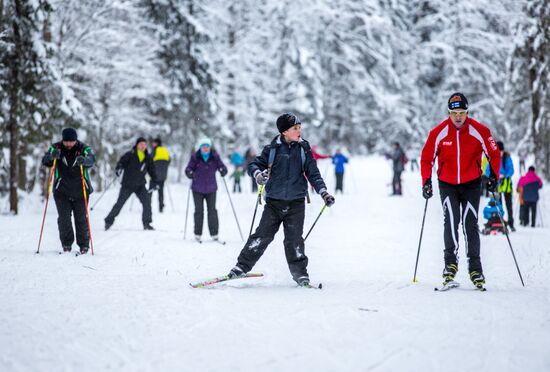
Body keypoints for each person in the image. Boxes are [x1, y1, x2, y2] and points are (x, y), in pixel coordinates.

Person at [226, 113, 335, 287]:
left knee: (294, 240)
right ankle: (241, 267)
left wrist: (324, 193)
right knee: (262, 236)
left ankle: (300, 274)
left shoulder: (303, 148)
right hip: (274, 203)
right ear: (284, 131)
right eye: (295, 128)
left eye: (299, 127)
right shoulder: (272, 149)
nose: (299, 131)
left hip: (296, 202)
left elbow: (313, 173)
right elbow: (253, 165)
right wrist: (258, 175)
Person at [420, 92, 501, 288]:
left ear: (467, 112)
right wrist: (426, 181)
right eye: (454, 113)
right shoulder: (438, 132)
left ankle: (475, 268)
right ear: (449, 113)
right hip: (447, 183)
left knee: (469, 223)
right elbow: (426, 158)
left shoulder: (479, 130)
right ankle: (450, 265)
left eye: (462, 113)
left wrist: (494, 177)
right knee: (451, 221)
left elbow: (494, 154)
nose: (458, 117)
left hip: (472, 183)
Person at [41, 128, 95, 254]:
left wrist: (85, 160)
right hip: (61, 191)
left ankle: (84, 245)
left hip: (81, 190)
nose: (69, 144)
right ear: (63, 140)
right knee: (64, 219)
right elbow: (45, 160)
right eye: (66, 141)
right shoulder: (56, 147)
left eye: (72, 141)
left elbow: (92, 159)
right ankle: (66, 244)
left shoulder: (83, 148)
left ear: (76, 140)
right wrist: (51, 157)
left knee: (81, 218)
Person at [104, 137, 158, 231]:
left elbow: (152, 171)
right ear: (137, 145)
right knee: (119, 203)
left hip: (140, 185)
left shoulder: (148, 157)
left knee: (147, 202)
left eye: (144, 145)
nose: (142, 146)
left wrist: (155, 181)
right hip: (127, 184)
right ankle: (108, 221)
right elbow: (121, 163)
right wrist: (119, 168)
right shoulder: (130, 154)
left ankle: (147, 223)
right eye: (141, 144)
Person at [185, 137, 228, 242]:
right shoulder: (195, 156)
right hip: (197, 188)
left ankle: (214, 233)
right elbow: (188, 168)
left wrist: (223, 171)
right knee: (199, 211)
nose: (205, 149)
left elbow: (223, 167)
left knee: (212, 211)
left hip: (211, 188)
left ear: (209, 147)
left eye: (207, 147)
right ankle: (197, 233)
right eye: (203, 147)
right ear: (200, 147)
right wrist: (189, 173)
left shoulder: (214, 156)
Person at [487, 141, 515, 231]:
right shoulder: (493, 158)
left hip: (506, 185)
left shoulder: (507, 158)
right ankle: (500, 222)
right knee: (499, 205)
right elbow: (487, 170)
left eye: (501, 151)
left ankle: (511, 223)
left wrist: (504, 175)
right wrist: (494, 176)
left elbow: (511, 169)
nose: (500, 153)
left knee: (509, 205)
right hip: (497, 185)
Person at [151, 138, 171, 213]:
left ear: (157, 143)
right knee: (161, 192)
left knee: (150, 191)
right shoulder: (165, 151)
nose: (153, 144)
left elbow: (149, 160)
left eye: (154, 143)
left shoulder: (154, 151)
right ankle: (161, 207)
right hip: (163, 176)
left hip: (153, 175)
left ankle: (147, 206)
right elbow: (169, 160)